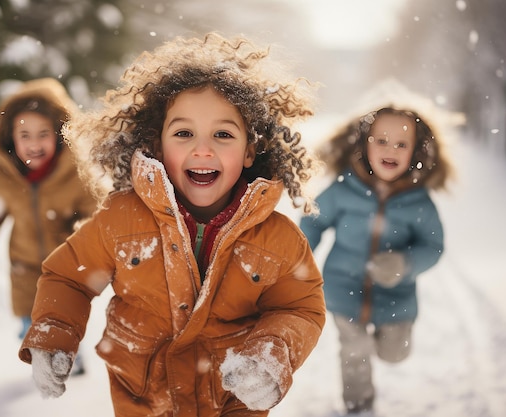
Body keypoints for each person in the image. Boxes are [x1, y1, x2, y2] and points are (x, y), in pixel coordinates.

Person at [18, 33, 326, 416]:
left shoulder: (277, 238)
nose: (203, 149)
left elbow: (301, 309)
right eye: (184, 133)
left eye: (223, 134)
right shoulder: (122, 219)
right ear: (158, 146)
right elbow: (69, 278)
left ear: (249, 151)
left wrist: (271, 353)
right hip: (144, 398)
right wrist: (54, 334)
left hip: (232, 400)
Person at [299, 89, 455, 414]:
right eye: (381, 140)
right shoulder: (344, 189)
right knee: (354, 348)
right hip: (343, 289)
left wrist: (405, 263)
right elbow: (313, 221)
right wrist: (301, 255)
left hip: (396, 295)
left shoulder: (419, 202)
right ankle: (359, 406)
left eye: (401, 144)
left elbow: (433, 245)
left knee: (394, 353)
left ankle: (388, 347)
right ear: (364, 143)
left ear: (414, 151)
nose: (390, 150)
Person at [0, 78, 96, 344]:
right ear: (10, 138)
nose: (34, 144)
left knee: (61, 316)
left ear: (58, 135)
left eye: (43, 134)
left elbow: (95, 211)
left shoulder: (74, 175)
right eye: (25, 136)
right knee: (30, 319)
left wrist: (84, 232)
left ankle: (64, 350)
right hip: (24, 265)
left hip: (64, 264)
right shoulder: (5, 178)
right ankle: (34, 340)